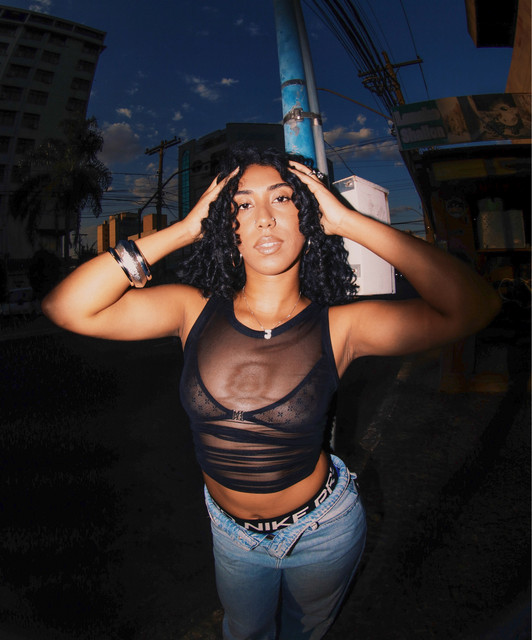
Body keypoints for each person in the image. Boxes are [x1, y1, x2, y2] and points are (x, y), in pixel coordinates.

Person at [41, 145, 500, 639]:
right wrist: (185, 230)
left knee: (307, 632)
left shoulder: (342, 326)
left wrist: (348, 222)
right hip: (231, 535)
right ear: (227, 227)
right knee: (245, 632)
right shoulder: (191, 310)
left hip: (322, 530)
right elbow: (67, 307)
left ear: (309, 217)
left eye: (282, 199)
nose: (263, 217)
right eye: (242, 204)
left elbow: (474, 306)